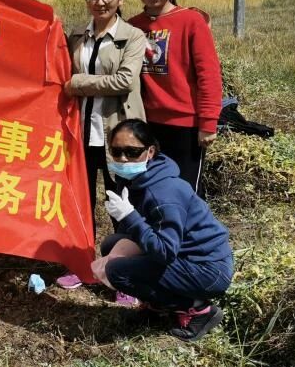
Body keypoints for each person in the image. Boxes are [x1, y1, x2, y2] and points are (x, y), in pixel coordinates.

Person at [90, 119, 233, 342]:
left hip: (207, 269)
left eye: (132, 151)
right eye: (116, 152)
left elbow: (164, 251)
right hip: (184, 255)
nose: (124, 159)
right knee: (111, 245)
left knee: (118, 270)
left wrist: (129, 216)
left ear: (150, 151)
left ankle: (197, 309)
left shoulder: (163, 193)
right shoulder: (136, 180)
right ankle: (158, 306)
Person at [56, 0, 147, 293]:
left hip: (117, 136)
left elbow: (124, 80)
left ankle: (122, 275)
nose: (100, 2)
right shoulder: (78, 35)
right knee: (80, 203)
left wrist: (78, 84)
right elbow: (60, 72)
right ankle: (81, 265)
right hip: (81, 134)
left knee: (119, 204)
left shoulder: (132, 37)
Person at [128, 0, 222, 195]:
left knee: (185, 192)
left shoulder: (191, 21)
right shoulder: (133, 26)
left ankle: (191, 234)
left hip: (185, 125)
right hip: (146, 123)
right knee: (152, 190)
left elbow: (208, 75)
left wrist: (208, 122)